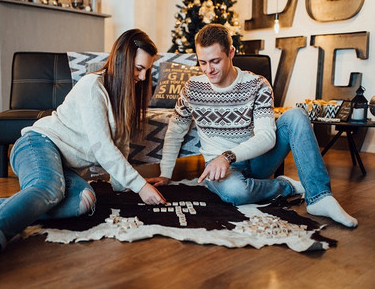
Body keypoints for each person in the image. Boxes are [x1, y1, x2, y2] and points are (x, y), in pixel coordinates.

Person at [0, 29, 166, 285]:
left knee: (85, 201)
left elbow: (119, 149)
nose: (143, 77)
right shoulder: (93, 86)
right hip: (37, 144)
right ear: (122, 61)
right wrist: (140, 185)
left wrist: (133, 185)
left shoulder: (123, 99)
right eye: (138, 69)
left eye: (147, 70)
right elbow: (102, 147)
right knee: (49, 188)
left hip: (63, 166)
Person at [147, 24, 357, 229]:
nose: (208, 69)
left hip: (257, 160)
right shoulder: (192, 88)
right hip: (219, 169)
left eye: (215, 61)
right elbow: (175, 131)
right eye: (202, 62)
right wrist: (166, 173)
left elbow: (267, 136)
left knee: (296, 115)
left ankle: (319, 197)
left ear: (231, 53)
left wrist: (228, 155)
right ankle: (287, 186)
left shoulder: (257, 84)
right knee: (236, 193)